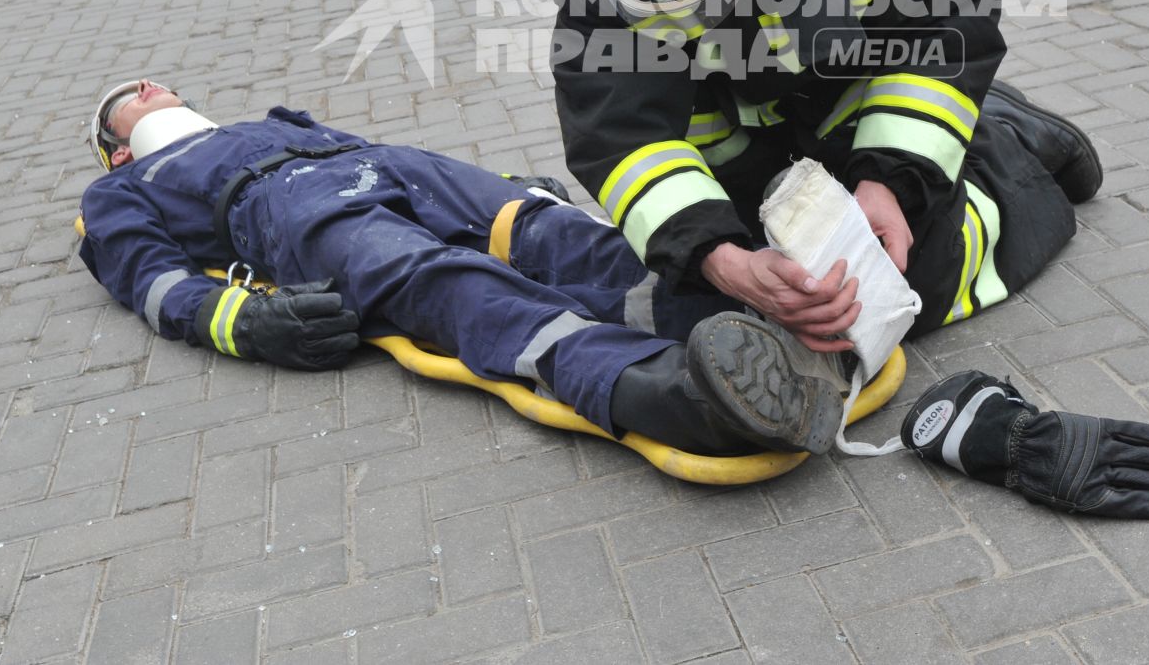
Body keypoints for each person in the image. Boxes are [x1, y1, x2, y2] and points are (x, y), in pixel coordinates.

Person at [550, 0, 1101, 351]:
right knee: (733, 310)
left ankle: (1007, 135)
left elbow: (946, 33)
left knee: (908, 283)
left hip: (857, 114)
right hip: (732, 160)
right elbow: (621, 138)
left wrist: (890, 182)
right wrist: (719, 257)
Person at [80, 79, 846, 456]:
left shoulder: (265, 120)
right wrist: (246, 322)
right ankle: (675, 396)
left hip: (386, 165)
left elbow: (367, 148)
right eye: (125, 97)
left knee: (552, 234)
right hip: (282, 209)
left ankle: (748, 320)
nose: (148, 88)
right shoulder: (118, 188)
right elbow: (151, 282)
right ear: (116, 146)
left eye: (152, 82)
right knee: (445, 282)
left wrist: (512, 189)